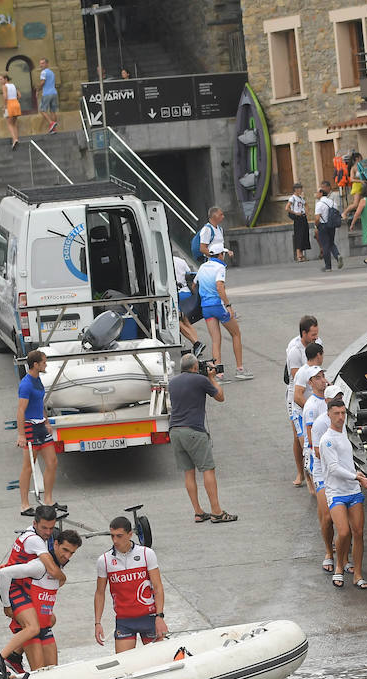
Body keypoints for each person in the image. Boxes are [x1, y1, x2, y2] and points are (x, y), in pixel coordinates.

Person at [0, 529, 82, 672]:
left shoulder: (57, 569)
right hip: (31, 627)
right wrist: (7, 605)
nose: (67, 556)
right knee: (40, 673)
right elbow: (3, 573)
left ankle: (14, 656)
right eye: (65, 550)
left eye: (72, 553)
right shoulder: (40, 566)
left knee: (53, 672)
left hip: (45, 626)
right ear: (55, 544)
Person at [168, 354, 236, 522]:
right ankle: (216, 512)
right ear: (195, 367)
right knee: (207, 469)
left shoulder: (173, 382)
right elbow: (220, 397)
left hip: (175, 431)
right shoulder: (200, 380)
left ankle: (198, 512)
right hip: (194, 431)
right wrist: (212, 378)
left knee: (188, 472)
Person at [319, 396, 367, 589]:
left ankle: (358, 574)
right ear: (329, 415)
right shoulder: (326, 440)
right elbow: (333, 469)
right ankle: (339, 566)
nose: (341, 417)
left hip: (353, 491)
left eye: (343, 413)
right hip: (337, 493)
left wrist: (358, 475)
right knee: (343, 532)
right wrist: (357, 477)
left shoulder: (344, 435)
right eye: (337, 414)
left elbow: (348, 462)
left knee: (358, 533)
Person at [93, 516, 165, 653]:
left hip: (149, 618)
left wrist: (160, 617)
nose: (115, 540)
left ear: (130, 534)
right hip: (125, 621)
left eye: (119, 536)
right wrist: (97, 622)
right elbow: (99, 592)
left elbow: (158, 587)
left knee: (159, 662)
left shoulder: (146, 554)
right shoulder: (104, 560)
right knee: (124, 667)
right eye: (112, 536)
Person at [194, 247, 252, 380]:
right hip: (219, 306)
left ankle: (218, 373)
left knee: (215, 339)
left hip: (206, 307)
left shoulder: (203, 266)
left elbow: (194, 284)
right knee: (236, 333)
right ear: (220, 255)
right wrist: (228, 305)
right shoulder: (220, 267)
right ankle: (240, 369)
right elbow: (219, 286)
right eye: (223, 253)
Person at [300, 371, 336, 571]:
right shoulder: (312, 407)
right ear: (311, 382)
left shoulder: (334, 405)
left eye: (324, 376)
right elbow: (312, 441)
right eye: (318, 377)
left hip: (334, 465)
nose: (323, 380)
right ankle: (328, 551)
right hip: (320, 464)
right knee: (326, 515)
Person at [15, 350, 58, 514]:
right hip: (30, 427)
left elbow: (39, 403)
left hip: (41, 425)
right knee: (28, 466)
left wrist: (46, 420)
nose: (45, 365)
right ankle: (24, 505)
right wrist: (21, 435)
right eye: (44, 362)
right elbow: (20, 410)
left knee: (52, 462)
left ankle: (48, 500)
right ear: (36, 364)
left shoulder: (37, 379)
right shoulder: (26, 384)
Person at [285, 316, 321, 487]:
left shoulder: (317, 343)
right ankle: (301, 473)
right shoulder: (294, 350)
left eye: (317, 334)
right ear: (304, 333)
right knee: (299, 437)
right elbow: (297, 378)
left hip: (312, 394)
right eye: (312, 334)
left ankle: (314, 472)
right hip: (296, 396)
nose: (316, 337)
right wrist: (310, 406)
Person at [315, 185, 343, 271]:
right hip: (332, 225)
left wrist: (317, 225)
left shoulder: (319, 204)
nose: (316, 194)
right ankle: (337, 256)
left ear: (321, 193)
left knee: (325, 245)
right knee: (331, 243)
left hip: (323, 226)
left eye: (317, 192)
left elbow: (317, 218)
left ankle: (328, 267)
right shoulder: (332, 202)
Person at [287, 182, 311, 261]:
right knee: (299, 235)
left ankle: (302, 254)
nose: (301, 190)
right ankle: (298, 255)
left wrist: (306, 212)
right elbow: (287, 208)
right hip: (298, 218)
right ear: (296, 190)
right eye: (299, 188)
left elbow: (306, 205)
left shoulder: (301, 198)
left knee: (304, 235)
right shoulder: (292, 198)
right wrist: (295, 213)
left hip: (303, 217)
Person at [37, 57, 58, 133]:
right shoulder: (52, 72)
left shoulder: (43, 72)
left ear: (47, 64)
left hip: (47, 93)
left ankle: (51, 123)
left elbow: (42, 82)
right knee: (53, 111)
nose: (41, 65)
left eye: (42, 63)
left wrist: (38, 90)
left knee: (42, 110)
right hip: (54, 93)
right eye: (40, 63)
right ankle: (54, 129)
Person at [0, 73, 19, 149]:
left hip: (9, 104)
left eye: (1, 79)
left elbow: (5, 97)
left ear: (5, 79)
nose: (0, 81)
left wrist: (4, 106)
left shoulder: (4, 86)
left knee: (9, 124)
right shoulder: (13, 85)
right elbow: (19, 95)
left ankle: (14, 139)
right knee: (14, 123)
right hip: (16, 103)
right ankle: (16, 138)